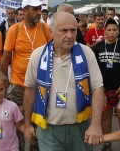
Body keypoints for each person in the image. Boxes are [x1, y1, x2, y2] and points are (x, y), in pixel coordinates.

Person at [23, 11, 104, 151]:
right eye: (64, 30)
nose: (70, 35)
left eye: (73, 30)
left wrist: (96, 124)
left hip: (80, 127)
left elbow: (98, 88)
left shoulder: (86, 53)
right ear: (52, 31)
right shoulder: (38, 55)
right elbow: (30, 90)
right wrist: (27, 123)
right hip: (49, 130)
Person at [0, 0, 51, 151]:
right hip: (19, 86)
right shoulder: (14, 30)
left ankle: (35, 148)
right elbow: (6, 58)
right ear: (24, 10)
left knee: (39, 123)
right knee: (17, 123)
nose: (38, 12)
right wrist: (1, 82)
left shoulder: (44, 28)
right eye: (34, 9)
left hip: (41, 86)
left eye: (40, 9)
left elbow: (52, 52)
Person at [94, 18, 120, 151]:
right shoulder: (99, 47)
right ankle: (107, 142)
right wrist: (98, 88)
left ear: (118, 31)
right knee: (105, 115)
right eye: (109, 30)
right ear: (104, 31)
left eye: (114, 30)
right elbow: (94, 68)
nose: (112, 33)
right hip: (103, 89)